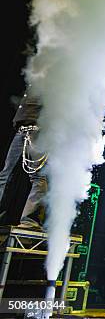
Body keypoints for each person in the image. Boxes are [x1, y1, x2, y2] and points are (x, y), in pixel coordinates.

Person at [0, 90, 47, 230]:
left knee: (38, 176)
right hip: (21, 130)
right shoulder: (35, 77)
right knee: (4, 175)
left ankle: (30, 220)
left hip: (37, 132)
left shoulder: (52, 79)